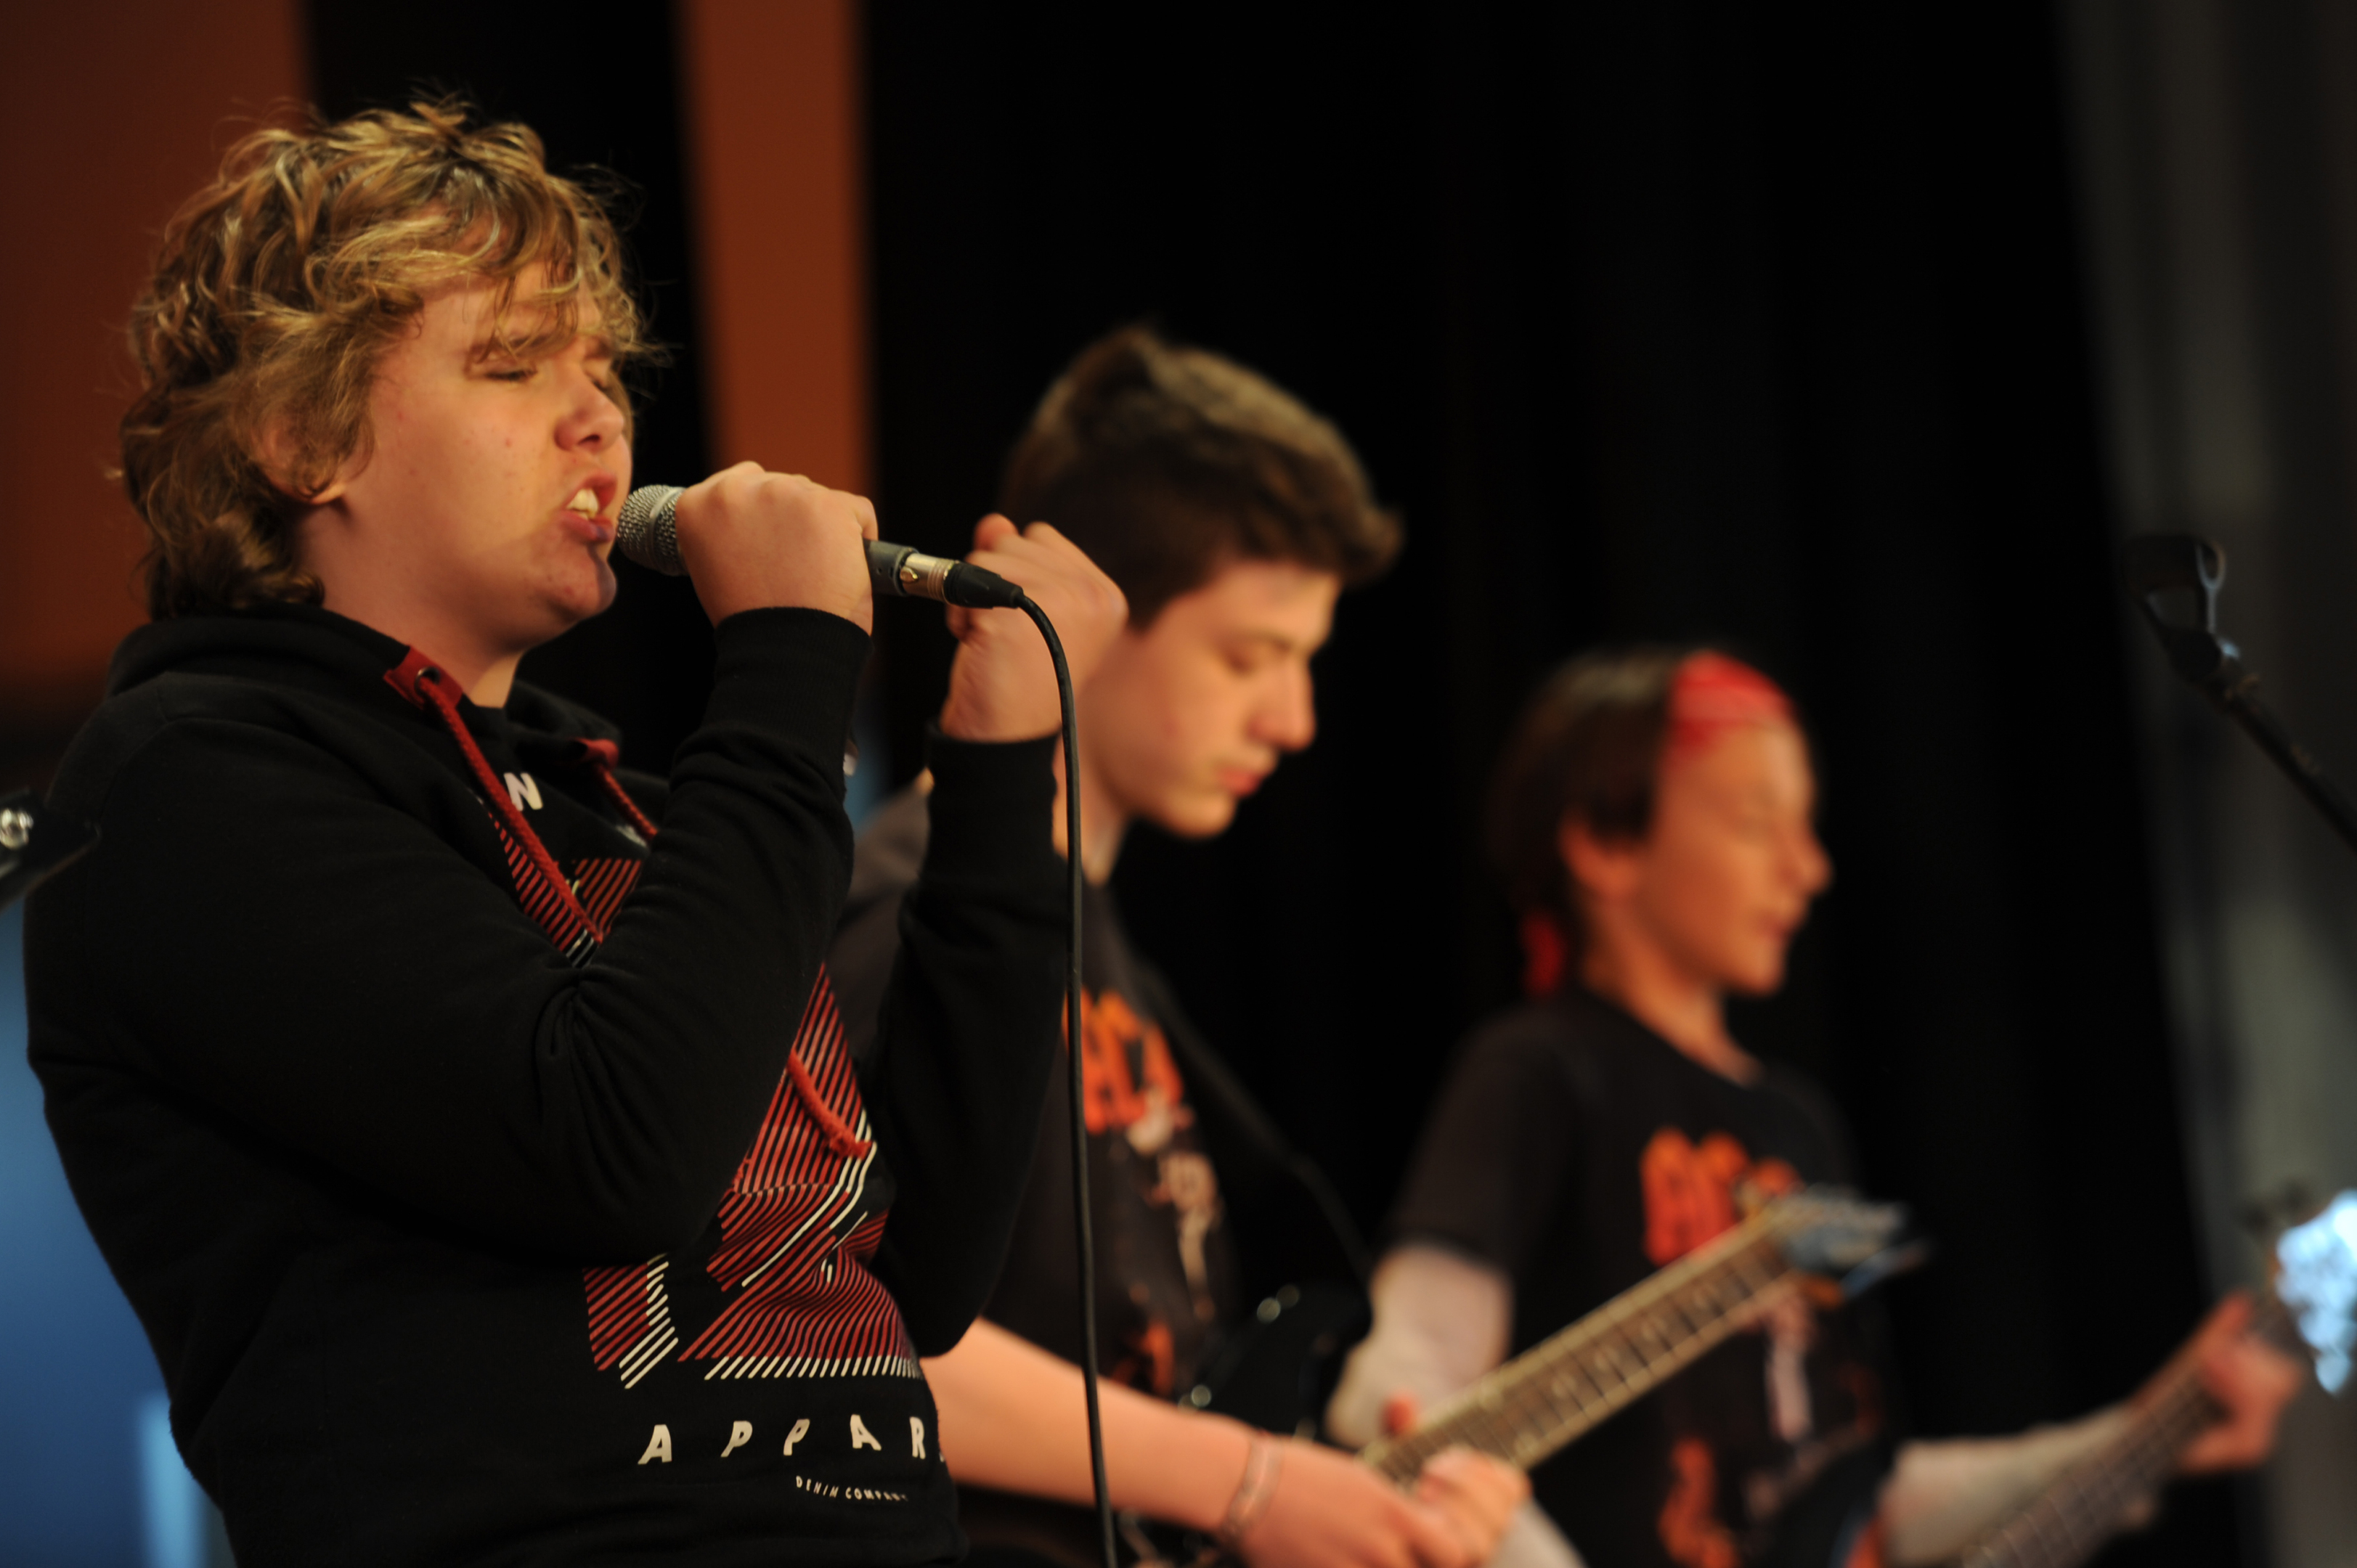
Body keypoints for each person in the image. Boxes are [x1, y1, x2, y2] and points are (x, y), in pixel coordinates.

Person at [23, 102, 1125, 1567]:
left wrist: (998, 782)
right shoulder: (184, 787)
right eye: (513, 363)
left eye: (603, 368)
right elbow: (613, 1148)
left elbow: (905, 1277)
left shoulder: (632, 810)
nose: (599, 418)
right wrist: (793, 657)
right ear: (301, 437)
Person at [1325, 646, 2308, 1568]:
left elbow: (1863, 1492)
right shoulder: (1536, 1070)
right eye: (1757, 822)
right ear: (1602, 845)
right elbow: (1403, 1403)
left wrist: (2145, 1432)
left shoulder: (1795, 1125)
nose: (1807, 868)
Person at [827, 327, 1528, 1568]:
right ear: (1089, 614)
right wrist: (1258, 1482)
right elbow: (837, 1322)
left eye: (1305, 662)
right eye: (1251, 656)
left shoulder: (1115, 954)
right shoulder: (913, 908)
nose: (1294, 718)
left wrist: (1354, 1494)